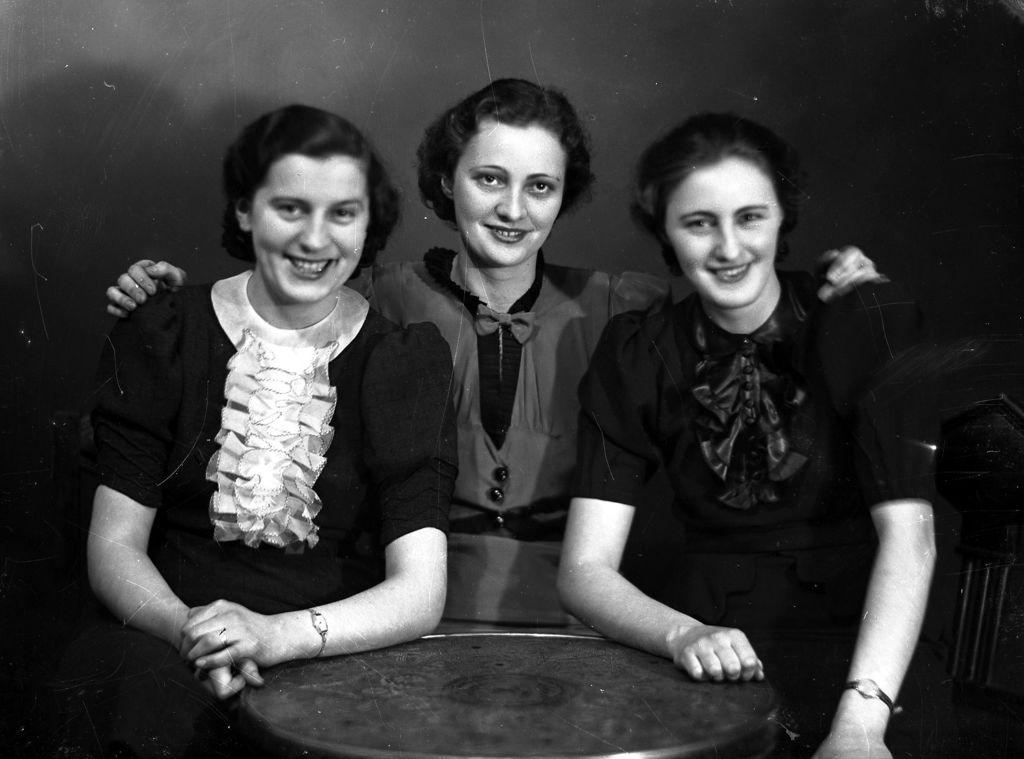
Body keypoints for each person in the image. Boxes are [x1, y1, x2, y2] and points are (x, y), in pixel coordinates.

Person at [103, 79, 879, 628]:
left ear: (564, 193)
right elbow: (270, 300)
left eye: (540, 187)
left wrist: (834, 287)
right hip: (406, 608)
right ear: (448, 180)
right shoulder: (378, 297)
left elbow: (741, 305)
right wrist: (163, 292)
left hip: (584, 615)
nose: (513, 209)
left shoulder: (628, 305)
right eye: (489, 179)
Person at [55, 104, 457, 757]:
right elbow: (114, 548)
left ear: (369, 225)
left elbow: (420, 592)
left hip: (329, 646)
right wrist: (194, 632)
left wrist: (274, 636)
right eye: (290, 208)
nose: (315, 239)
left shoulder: (404, 360)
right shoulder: (165, 329)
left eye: (343, 214)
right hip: (166, 638)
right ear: (245, 210)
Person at [557, 112, 936, 759]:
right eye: (699, 223)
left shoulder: (862, 320)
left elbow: (911, 537)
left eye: (750, 217)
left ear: (783, 216)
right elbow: (584, 570)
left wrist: (860, 725)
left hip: (871, 655)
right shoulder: (638, 352)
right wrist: (682, 635)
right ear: (664, 230)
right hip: (711, 650)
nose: (729, 248)